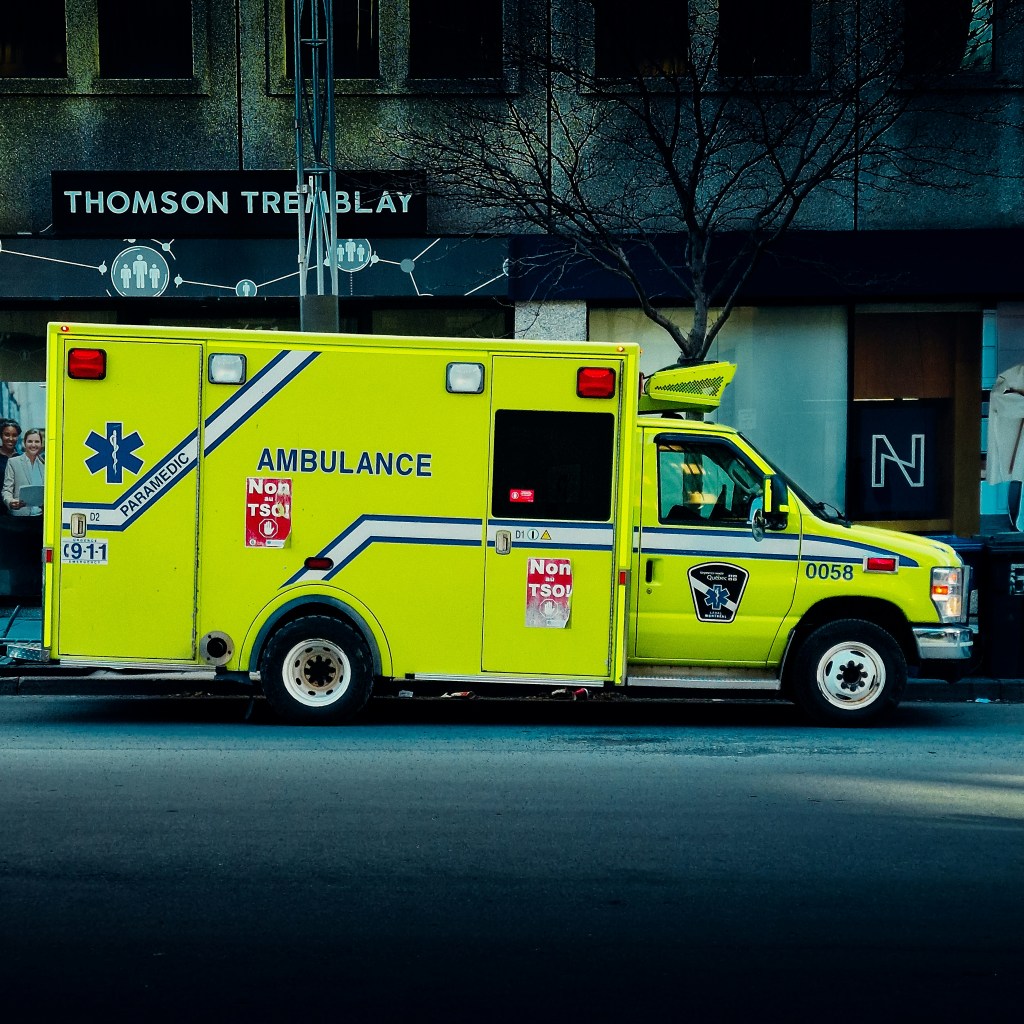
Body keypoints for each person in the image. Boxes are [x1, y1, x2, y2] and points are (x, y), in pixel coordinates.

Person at [3, 427, 44, 516]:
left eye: (37, 442)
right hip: (19, 518)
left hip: (40, 518)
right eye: (30, 441)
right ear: (24, 443)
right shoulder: (13, 462)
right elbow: (7, 490)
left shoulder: (45, 466)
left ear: (41, 444)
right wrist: (10, 501)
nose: (33, 445)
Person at [0, 418, 21, 515]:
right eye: (7, 435)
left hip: (17, 511)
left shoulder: (22, 458)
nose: (11, 439)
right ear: (1, 436)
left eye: (14, 435)